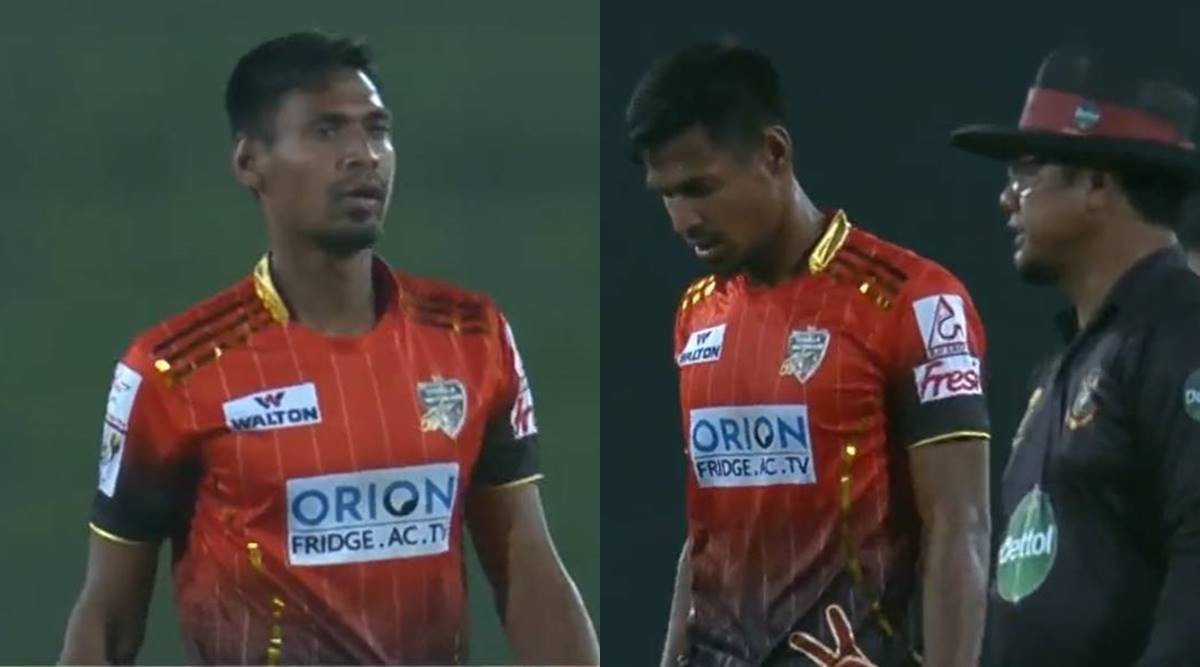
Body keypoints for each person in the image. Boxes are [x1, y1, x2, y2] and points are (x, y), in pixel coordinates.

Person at [58, 31, 598, 666]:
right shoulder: (174, 371)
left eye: (377, 130)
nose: (363, 155)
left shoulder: (471, 336)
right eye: (326, 131)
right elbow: (108, 620)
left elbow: (528, 571)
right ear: (249, 162)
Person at [627, 42, 991, 667]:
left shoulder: (915, 302)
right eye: (667, 195)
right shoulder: (697, 314)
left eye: (700, 188)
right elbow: (707, 534)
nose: (684, 219)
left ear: (774, 153)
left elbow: (961, 527)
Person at [951, 48, 1200, 666]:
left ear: (1096, 184)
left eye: (1027, 172)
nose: (1007, 200)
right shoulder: (1066, 364)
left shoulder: (1180, 331)